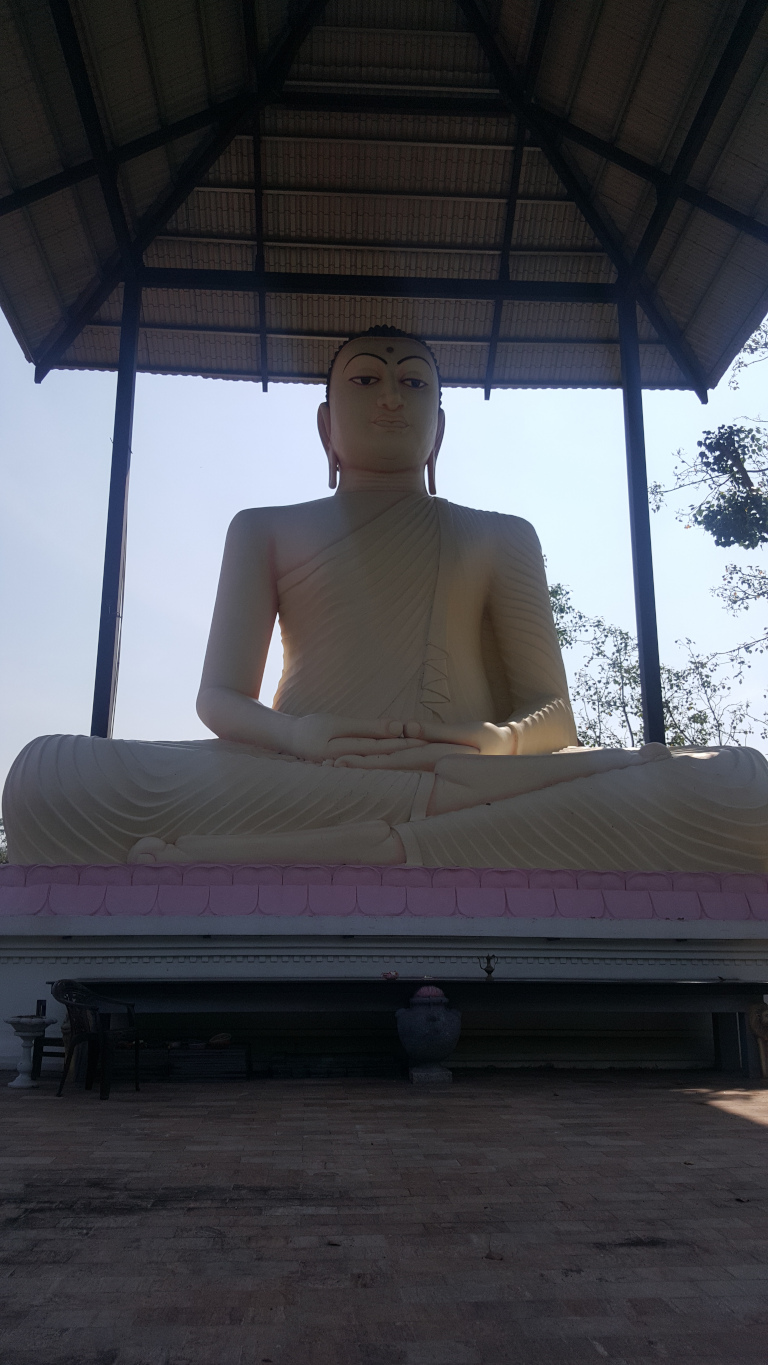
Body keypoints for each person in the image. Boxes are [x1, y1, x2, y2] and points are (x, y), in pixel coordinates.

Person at [4, 327, 767, 870]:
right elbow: (220, 698)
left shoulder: (500, 535)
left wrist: (494, 743)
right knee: (49, 776)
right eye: (366, 379)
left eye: (414, 383)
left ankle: (365, 841)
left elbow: (554, 715)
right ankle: (402, 838)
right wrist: (299, 739)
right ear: (326, 424)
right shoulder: (264, 528)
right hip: (300, 777)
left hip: (473, 778)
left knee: (740, 782)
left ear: (440, 426)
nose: (392, 399)